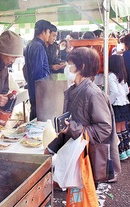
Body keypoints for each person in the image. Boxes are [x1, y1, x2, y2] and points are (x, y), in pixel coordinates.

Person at [45, 47, 121, 188]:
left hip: (87, 159)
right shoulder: (74, 90)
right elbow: (68, 126)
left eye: (70, 64)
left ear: (82, 67)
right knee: (76, 203)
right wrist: (51, 148)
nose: (67, 68)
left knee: (85, 204)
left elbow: (104, 128)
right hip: (76, 157)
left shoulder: (93, 93)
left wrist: (73, 128)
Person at [24, 19, 52, 120]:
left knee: (35, 115)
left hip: (33, 89)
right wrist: (43, 92)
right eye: (49, 32)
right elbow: (38, 73)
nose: (49, 35)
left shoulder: (30, 45)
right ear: (43, 32)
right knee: (38, 119)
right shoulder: (38, 47)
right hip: (39, 91)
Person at [108, 55, 130, 160]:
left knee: (117, 129)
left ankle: (121, 152)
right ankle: (127, 150)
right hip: (124, 103)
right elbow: (126, 91)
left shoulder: (111, 76)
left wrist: (109, 102)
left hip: (117, 104)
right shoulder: (122, 74)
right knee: (123, 128)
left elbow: (114, 92)